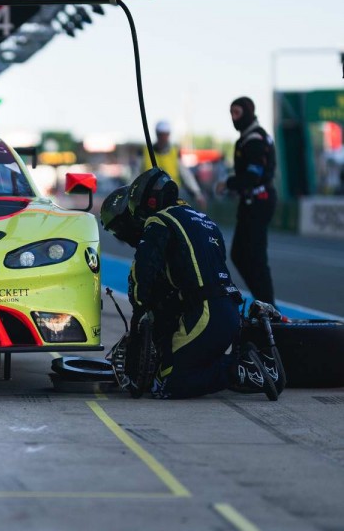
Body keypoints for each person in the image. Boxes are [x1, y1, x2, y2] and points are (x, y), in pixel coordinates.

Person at [101, 168, 283, 400]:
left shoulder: (160, 219)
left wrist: (139, 313)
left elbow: (143, 269)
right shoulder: (206, 221)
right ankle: (257, 366)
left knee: (167, 383)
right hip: (230, 311)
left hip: (205, 313)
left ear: (150, 199)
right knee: (189, 365)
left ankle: (240, 370)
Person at [218, 96, 277, 305]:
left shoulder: (254, 139)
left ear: (248, 113)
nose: (234, 118)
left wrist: (228, 183)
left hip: (259, 201)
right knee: (240, 254)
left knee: (255, 257)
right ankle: (264, 302)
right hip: (251, 201)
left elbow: (253, 176)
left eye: (237, 113)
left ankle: (268, 306)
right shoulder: (248, 138)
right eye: (231, 113)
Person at [141, 120, 207, 209]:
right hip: (151, 197)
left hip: (173, 195)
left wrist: (197, 193)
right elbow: (136, 175)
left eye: (165, 134)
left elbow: (186, 175)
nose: (163, 138)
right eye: (161, 134)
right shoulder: (145, 152)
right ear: (157, 134)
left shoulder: (175, 152)